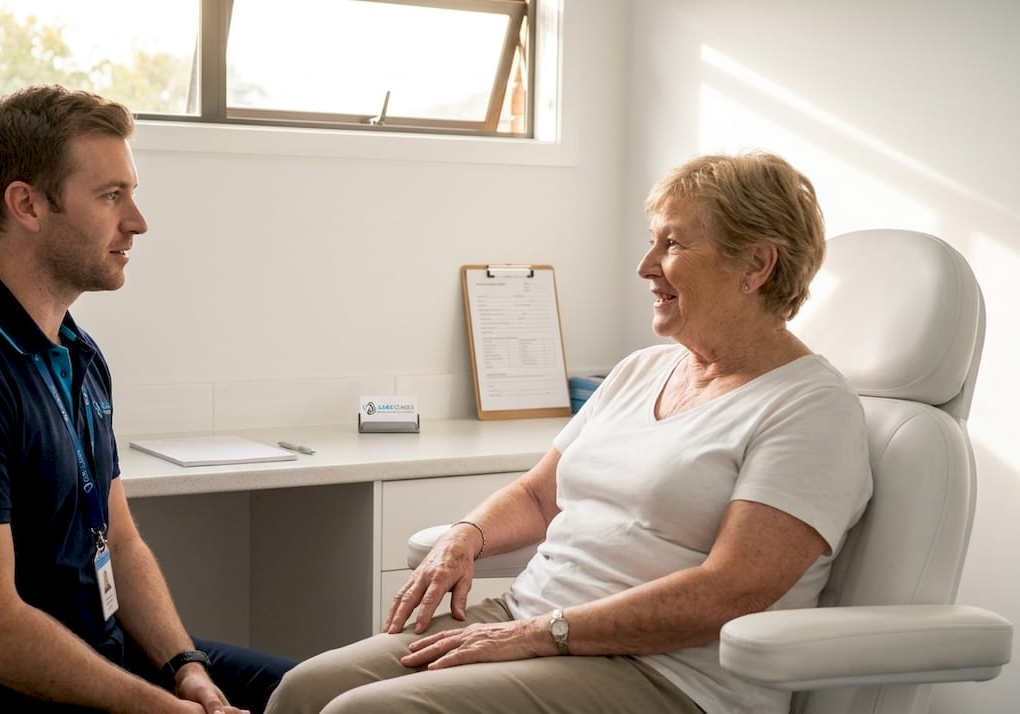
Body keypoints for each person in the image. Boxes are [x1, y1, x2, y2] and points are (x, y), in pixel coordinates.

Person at [265, 152, 873, 714]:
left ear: (756, 265)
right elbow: (537, 496)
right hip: (534, 618)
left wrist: (540, 635)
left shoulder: (810, 408)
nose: (645, 267)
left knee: (363, 713)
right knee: (304, 690)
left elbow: (731, 591)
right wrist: (465, 536)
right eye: (651, 241)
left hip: (668, 674)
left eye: (673, 244)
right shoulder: (642, 370)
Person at [0, 84, 294, 713]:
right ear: (27, 205)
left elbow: (119, 539)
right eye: (112, 197)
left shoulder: (73, 350)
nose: (137, 221)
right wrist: (158, 708)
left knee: (323, 694)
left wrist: (185, 668)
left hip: (94, 653)